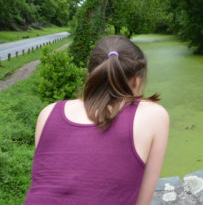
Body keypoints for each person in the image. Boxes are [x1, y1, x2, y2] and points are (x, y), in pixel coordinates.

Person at [24, 35, 170, 205]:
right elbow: (142, 201)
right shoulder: (154, 115)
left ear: (90, 75)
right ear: (137, 81)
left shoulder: (48, 112)